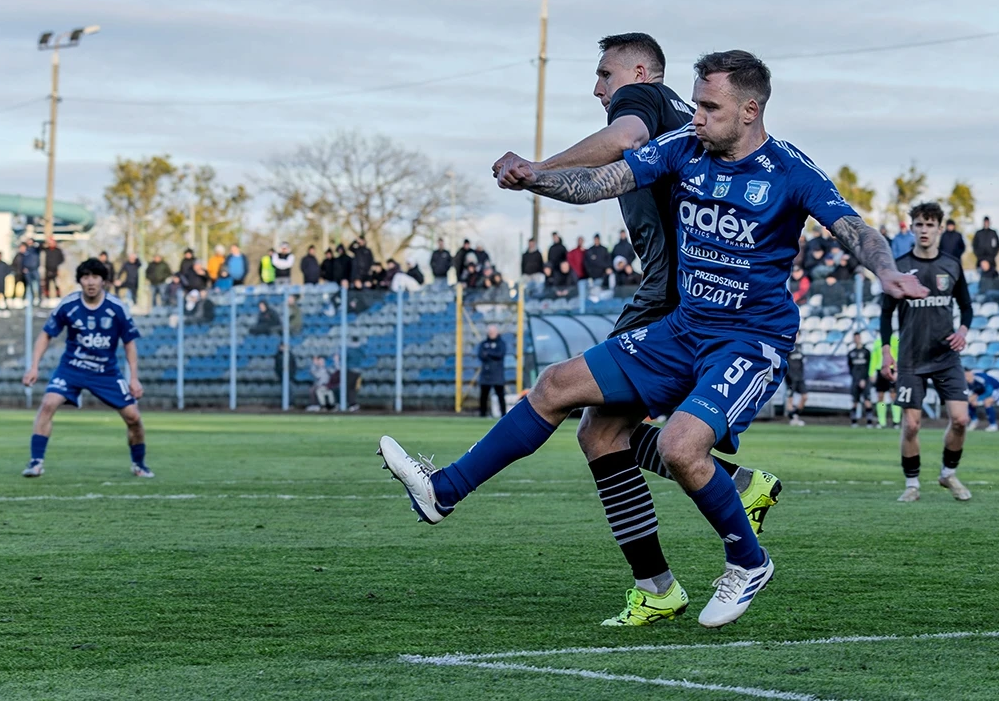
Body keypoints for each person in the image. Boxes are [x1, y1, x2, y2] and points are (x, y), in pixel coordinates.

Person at [384, 49, 925, 629]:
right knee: (557, 385)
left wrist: (886, 270)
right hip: (681, 329)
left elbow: (853, 228)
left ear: (750, 110)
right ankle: (444, 491)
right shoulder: (682, 147)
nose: (697, 116)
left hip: (749, 340)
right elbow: (598, 183)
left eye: (710, 107)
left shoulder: (789, 169)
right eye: (695, 103)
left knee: (678, 447)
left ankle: (749, 562)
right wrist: (535, 177)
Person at [492, 33, 781, 565]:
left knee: (598, 429)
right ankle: (732, 494)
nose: (598, 88)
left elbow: (626, 136)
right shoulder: (685, 116)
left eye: (605, 74)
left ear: (641, 72)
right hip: (686, 289)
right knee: (601, 429)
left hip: (668, 292)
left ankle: (670, 574)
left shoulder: (641, 98)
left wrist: (537, 169)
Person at [20, 258, 151, 478]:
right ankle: (36, 463)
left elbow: (129, 343)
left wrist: (134, 378)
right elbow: (46, 335)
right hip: (72, 368)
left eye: (95, 277)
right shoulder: (69, 305)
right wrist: (33, 367)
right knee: (48, 403)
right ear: (80, 281)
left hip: (105, 372)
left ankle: (139, 464)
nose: (90, 282)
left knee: (133, 418)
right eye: (86, 277)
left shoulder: (117, 307)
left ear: (103, 281)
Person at [881, 201, 974, 503]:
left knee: (960, 419)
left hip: (946, 356)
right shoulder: (899, 267)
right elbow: (886, 314)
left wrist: (962, 331)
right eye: (919, 224)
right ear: (912, 228)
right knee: (911, 425)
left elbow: (967, 307)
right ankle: (912, 484)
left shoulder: (952, 265)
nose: (924, 230)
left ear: (939, 229)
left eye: (930, 225)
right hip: (911, 357)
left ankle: (948, 474)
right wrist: (886, 352)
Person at [869, 333, 901, 429]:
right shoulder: (877, 342)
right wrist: (871, 372)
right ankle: (882, 421)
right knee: (880, 396)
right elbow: (874, 358)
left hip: (893, 369)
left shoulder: (896, 340)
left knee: (893, 395)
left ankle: (896, 421)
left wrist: (898, 370)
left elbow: (900, 356)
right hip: (881, 370)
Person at [477, 325, 507, 419]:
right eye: (490, 332)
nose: (491, 334)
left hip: (497, 374)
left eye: (493, 332)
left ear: (496, 332)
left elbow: (500, 354)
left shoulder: (501, 343)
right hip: (486, 375)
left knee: (500, 396)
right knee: (483, 396)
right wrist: (492, 353)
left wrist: (489, 353)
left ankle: (504, 415)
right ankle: (482, 415)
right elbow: (481, 355)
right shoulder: (484, 343)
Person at [847, 332, 875, 428]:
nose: (856, 339)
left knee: (867, 400)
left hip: (865, 380)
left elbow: (869, 366)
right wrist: (856, 378)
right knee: (854, 401)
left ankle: (869, 422)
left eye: (858, 337)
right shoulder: (851, 353)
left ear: (860, 338)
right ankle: (854, 421)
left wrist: (864, 378)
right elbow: (850, 367)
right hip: (855, 380)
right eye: (855, 338)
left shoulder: (866, 352)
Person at [782, 333, 807, 425]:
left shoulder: (800, 347)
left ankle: (795, 414)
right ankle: (792, 419)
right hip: (790, 376)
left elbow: (801, 363)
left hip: (800, 376)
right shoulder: (788, 346)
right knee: (790, 397)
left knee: (805, 396)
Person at [22, 240, 42, 304]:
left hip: (35, 269)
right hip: (28, 270)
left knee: (38, 284)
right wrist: (24, 267)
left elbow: (41, 246)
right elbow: (23, 260)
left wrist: (36, 243)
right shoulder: (26, 250)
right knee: (30, 285)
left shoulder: (35, 249)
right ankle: (32, 298)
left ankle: (39, 298)